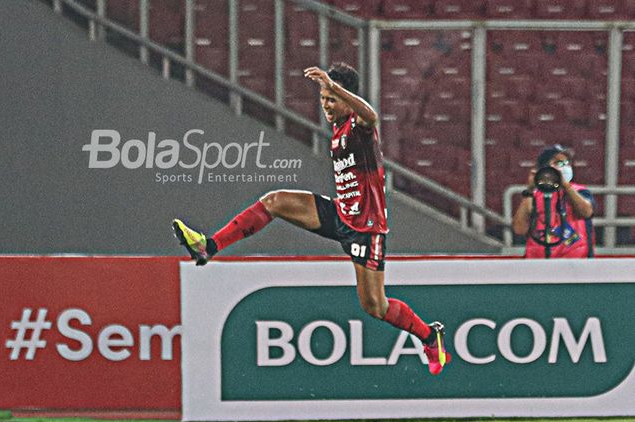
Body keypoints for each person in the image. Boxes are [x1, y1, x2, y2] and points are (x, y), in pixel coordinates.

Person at [173, 63, 450, 375]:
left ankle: (429, 336)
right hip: (341, 214)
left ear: (347, 98)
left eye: (331, 99)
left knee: (375, 306)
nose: (325, 105)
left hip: (366, 229)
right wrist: (331, 89)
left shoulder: (360, 129)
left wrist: (336, 88)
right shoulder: (336, 130)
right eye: (323, 99)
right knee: (274, 201)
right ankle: (208, 246)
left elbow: (371, 115)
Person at [512, 144, 596, 258]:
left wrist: (566, 186)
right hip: (538, 264)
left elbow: (586, 212)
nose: (564, 167)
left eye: (567, 163)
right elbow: (519, 229)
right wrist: (530, 189)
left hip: (574, 265)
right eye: (558, 163)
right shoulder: (533, 196)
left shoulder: (580, 191)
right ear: (544, 168)